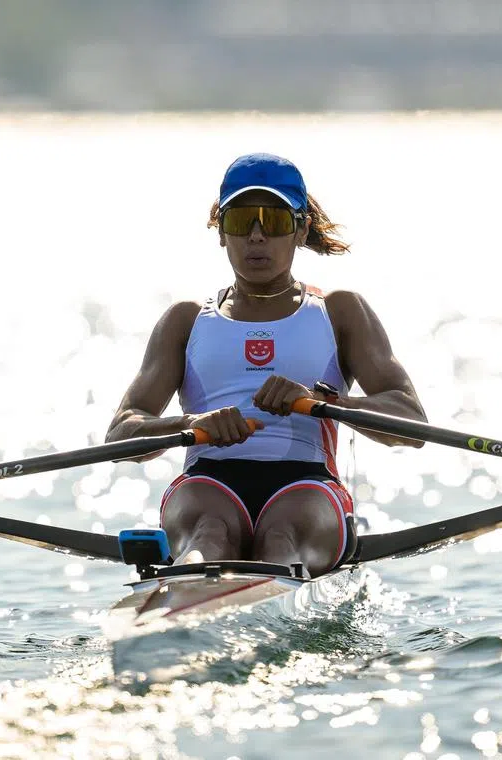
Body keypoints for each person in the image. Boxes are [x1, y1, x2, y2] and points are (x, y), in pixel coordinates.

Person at [106, 153, 426, 577]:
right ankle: (190, 592)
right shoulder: (185, 320)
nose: (256, 236)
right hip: (208, 480)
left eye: (273, 221)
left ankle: (226, 593)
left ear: (300, 229)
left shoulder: (340, 311)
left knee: (281, 538)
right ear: (221, 231)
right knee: (209, 533)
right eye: (240, 221)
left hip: (308, 483)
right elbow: (121, 435)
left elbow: (411, 424)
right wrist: (193, 423)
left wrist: (317, 403)